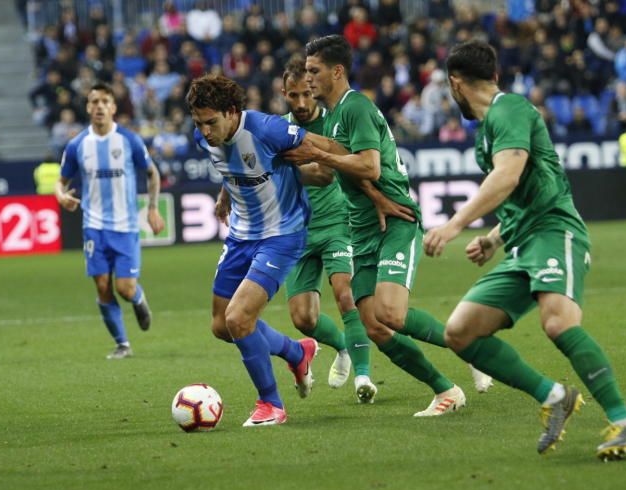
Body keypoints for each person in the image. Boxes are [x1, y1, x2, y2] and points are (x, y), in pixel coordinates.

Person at [422, 40, 626, 461]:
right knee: (460, 332)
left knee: (558, 323)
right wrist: (493, 238)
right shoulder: (490, 127)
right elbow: (516, 192)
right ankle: (554, 395)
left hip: (554, 231)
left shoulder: (508, 110)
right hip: (522, 242)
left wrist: (455, 223)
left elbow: (507, 175)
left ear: (455, 83)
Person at [286, 34, 483, 416]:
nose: (307, 79)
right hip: (362, 226)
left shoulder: (355, 107)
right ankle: (446, 390)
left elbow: (369, 165)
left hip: (395, 219)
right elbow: (338, 169)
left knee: (391, 314)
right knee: (375, 326)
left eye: (314, 71)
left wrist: (319, 153)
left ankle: (469, 345)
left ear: (337, 71)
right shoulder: (333, 117)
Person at [188, 74, 327, 427]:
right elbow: (232, 167)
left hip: (282, 234)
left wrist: (351, 171)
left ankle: (271, 404)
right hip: (240, 236)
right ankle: (297, 352)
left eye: (211, 122)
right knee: (222, 326)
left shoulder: (267, 129)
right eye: (199, 123)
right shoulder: (206, 138)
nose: (204, 131)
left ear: (232, 112)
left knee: (239, 319)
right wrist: (224, 196)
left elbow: (324, 148)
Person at [274, 56, 373, 396]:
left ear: (313, 89)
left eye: (306, 94)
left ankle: (363, 377)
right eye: (293, 95)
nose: (301, 103)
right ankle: (344, 346)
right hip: (296, 231)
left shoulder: (333, 123)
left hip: (336, 223)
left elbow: (326, 173)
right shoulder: (277, 130)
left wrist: (283, 171)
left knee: (345, 293)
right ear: (284, 93)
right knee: (303, 319)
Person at [56, 83, 164, 359]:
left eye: (105, 101)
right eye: (94, 102)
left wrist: (152, 208)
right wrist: (61, 196)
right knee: (102, 285)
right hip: (94, 226)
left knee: (124, 288)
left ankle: (138, 298)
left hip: (126, 226)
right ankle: (123, 344)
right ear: (88, 107)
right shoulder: (78, 144)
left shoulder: (129, 140)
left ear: (114, 107)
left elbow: (152, 174)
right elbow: (61, 181)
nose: (99, 106)